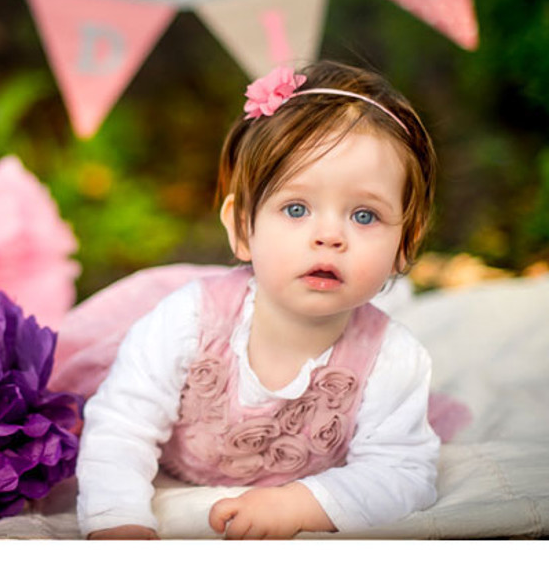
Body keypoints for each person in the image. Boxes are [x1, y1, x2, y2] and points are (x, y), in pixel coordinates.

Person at [75, 60, 441, 540]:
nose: (330, 235)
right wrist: (117, 520)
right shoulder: (188, 322)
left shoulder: (393, 358)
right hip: (180, 465)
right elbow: (120, 428)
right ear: (242, 227)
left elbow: (404, 474)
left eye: (365, 215)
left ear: (405, 243)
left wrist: (301, 503)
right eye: (296, 208)